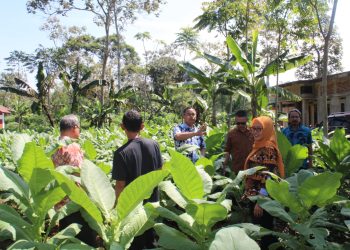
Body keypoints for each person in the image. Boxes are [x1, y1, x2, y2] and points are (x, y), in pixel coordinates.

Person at [112, 110, 162, 249]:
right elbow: (159, 172)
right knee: (151, 240)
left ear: (122, 126)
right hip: (152, 203)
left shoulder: (121, 153)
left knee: (135, 242)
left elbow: (120, 185)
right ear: (142, 126)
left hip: (132, 208)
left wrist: (117, 207)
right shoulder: (154, 145)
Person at [51, 114, 98, 247]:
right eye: (79, 128)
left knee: (66, 238)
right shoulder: (72, 147)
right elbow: (78, 174)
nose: (79, 131)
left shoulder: (55, 145)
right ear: (74, 128)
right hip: (74, 202)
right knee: (84, 240)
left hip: (59, 201)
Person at [243, 116, 285, 250]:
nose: (255, 132)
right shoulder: (259, 145)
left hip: (262, 198)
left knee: (266, 230)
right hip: (254, 195)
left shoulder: (268, 149)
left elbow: (269, 177)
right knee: (262, 229)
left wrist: (261, 201)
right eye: (253, 128)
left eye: (259, 129)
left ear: (266, 130)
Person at [223, 110, 254, 174]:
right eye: (238, 123)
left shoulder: (253, 132)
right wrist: (224, 165)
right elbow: (227, 151)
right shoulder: (231, 134)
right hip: (237, 169)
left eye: (243, 123)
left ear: (246, 120)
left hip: (251, 168)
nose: (240, 125)